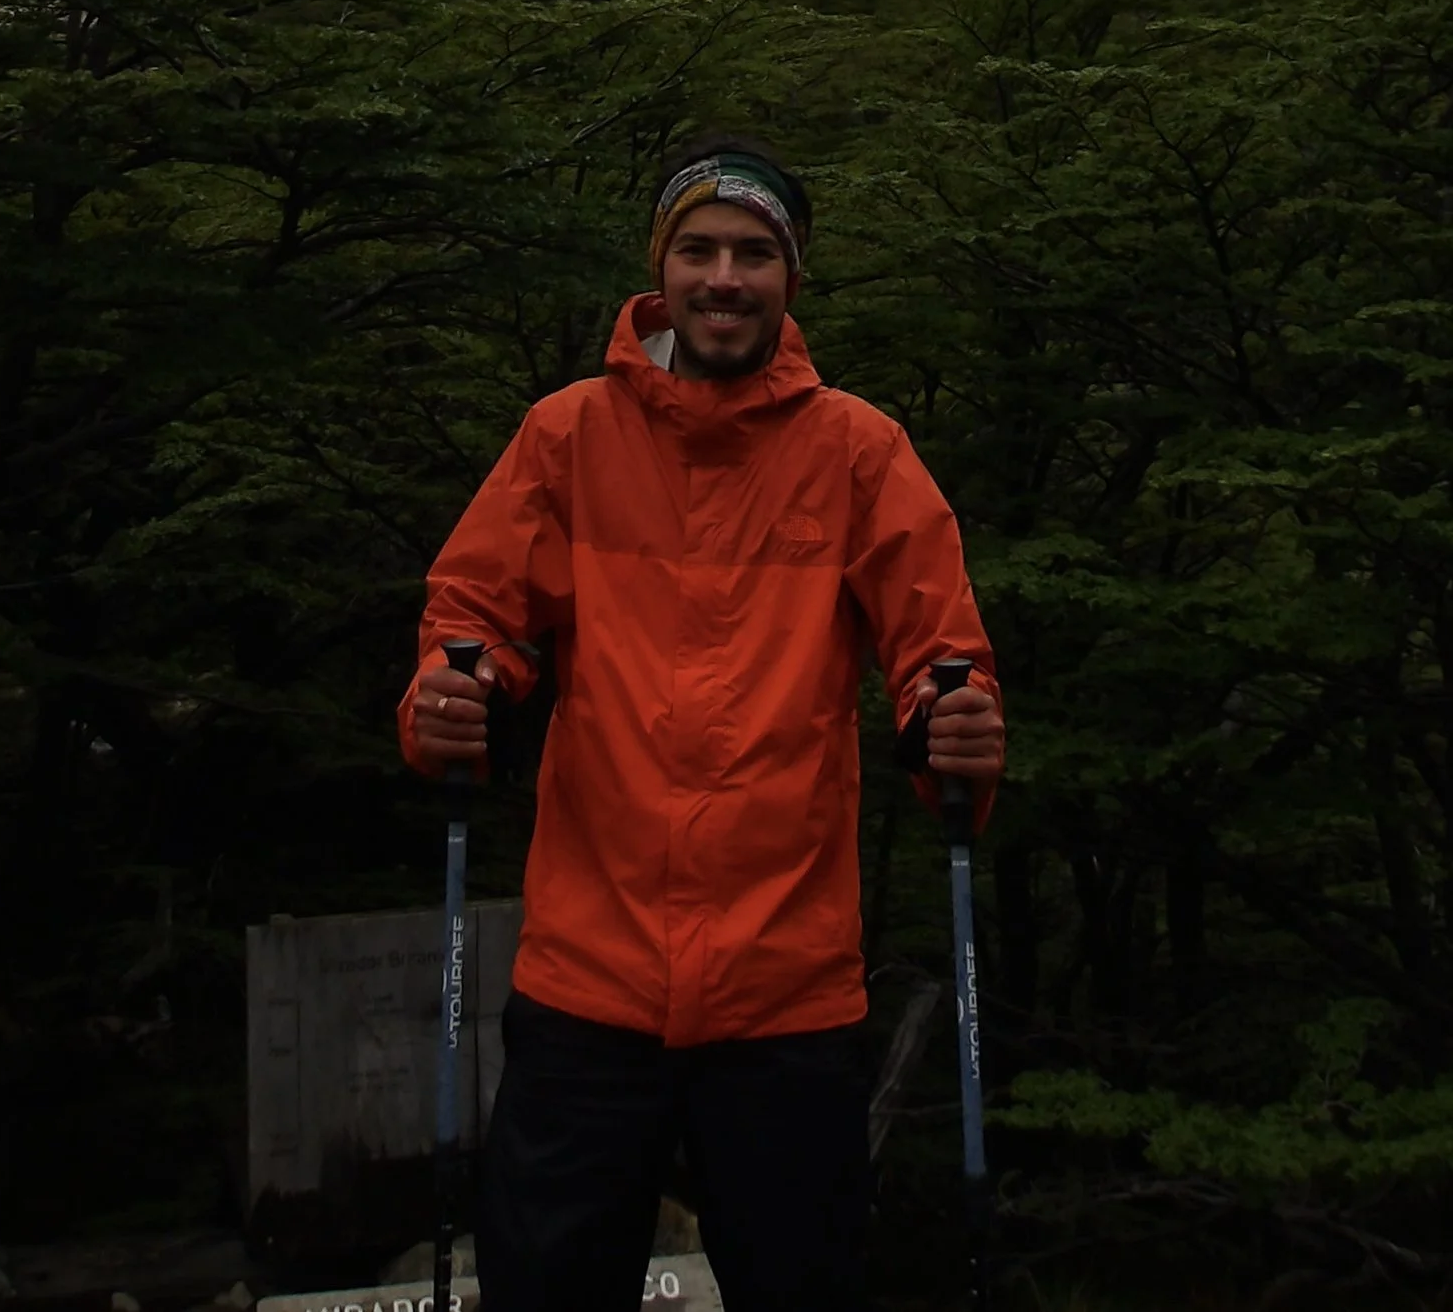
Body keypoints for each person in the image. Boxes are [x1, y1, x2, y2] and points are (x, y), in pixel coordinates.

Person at [399, 134, 1004, 1312]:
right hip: (590, 979)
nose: (724, 278)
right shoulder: (566, 437)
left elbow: (943, 656)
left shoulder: (859, 452)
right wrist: (451, 699)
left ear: (791, 277)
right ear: (659, 267)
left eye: (753, 254)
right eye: (699, 250)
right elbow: (471, 617)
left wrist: (956, 727)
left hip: (785, 989)